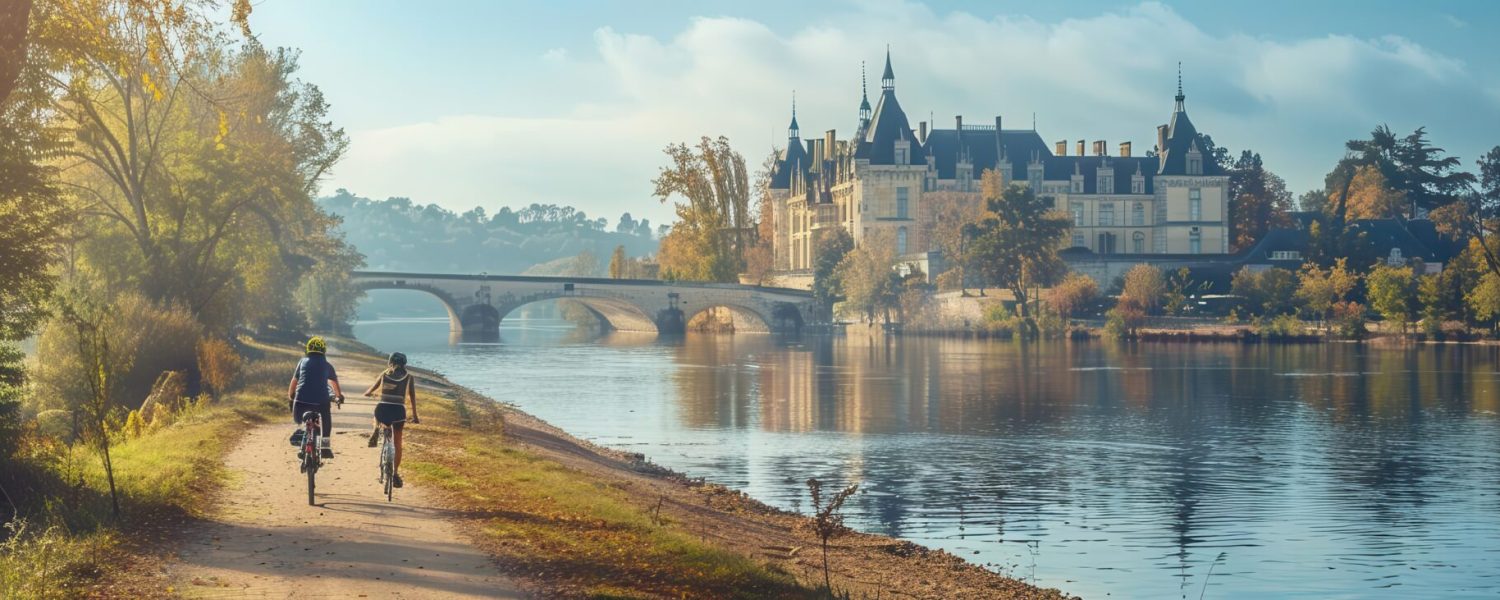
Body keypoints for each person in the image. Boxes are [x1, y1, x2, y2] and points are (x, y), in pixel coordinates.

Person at [363, 352, 419, 488]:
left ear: (390, 362)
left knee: (378, 414)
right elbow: (412, 397)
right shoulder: (409, 377)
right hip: (399, 411)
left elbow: (370, 390)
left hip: (383, 409)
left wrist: (368, 393)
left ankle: (376, 429)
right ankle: (395, 473)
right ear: (404, 364)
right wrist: (415, 416)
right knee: (398, 442)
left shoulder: (385, 374)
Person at [288, 336, 344, 459]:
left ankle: (303, 438)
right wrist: (339, 397)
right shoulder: (327, 365)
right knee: (326, 419)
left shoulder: (302, 362)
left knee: (300, 423)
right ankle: (325, 447)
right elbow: (335, 385)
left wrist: (291, 398)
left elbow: (294, 382)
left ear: (308, 349)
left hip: (300, 401)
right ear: (324, 351)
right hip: (321, 402)